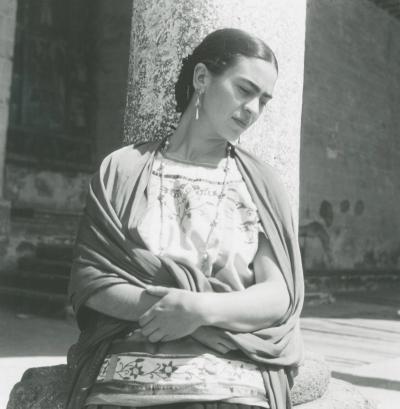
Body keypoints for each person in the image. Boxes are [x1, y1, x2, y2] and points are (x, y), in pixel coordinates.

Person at [66, 28, 304, 409]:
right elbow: (91, 283)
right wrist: (170, 316)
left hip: (230, 364)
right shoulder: (125, 169)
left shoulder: (260, 184)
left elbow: (278, 295)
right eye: (244, 90)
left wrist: (199, 314)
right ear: (201, 78)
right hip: (132, 356)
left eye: (264, 100)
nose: (253, 109)